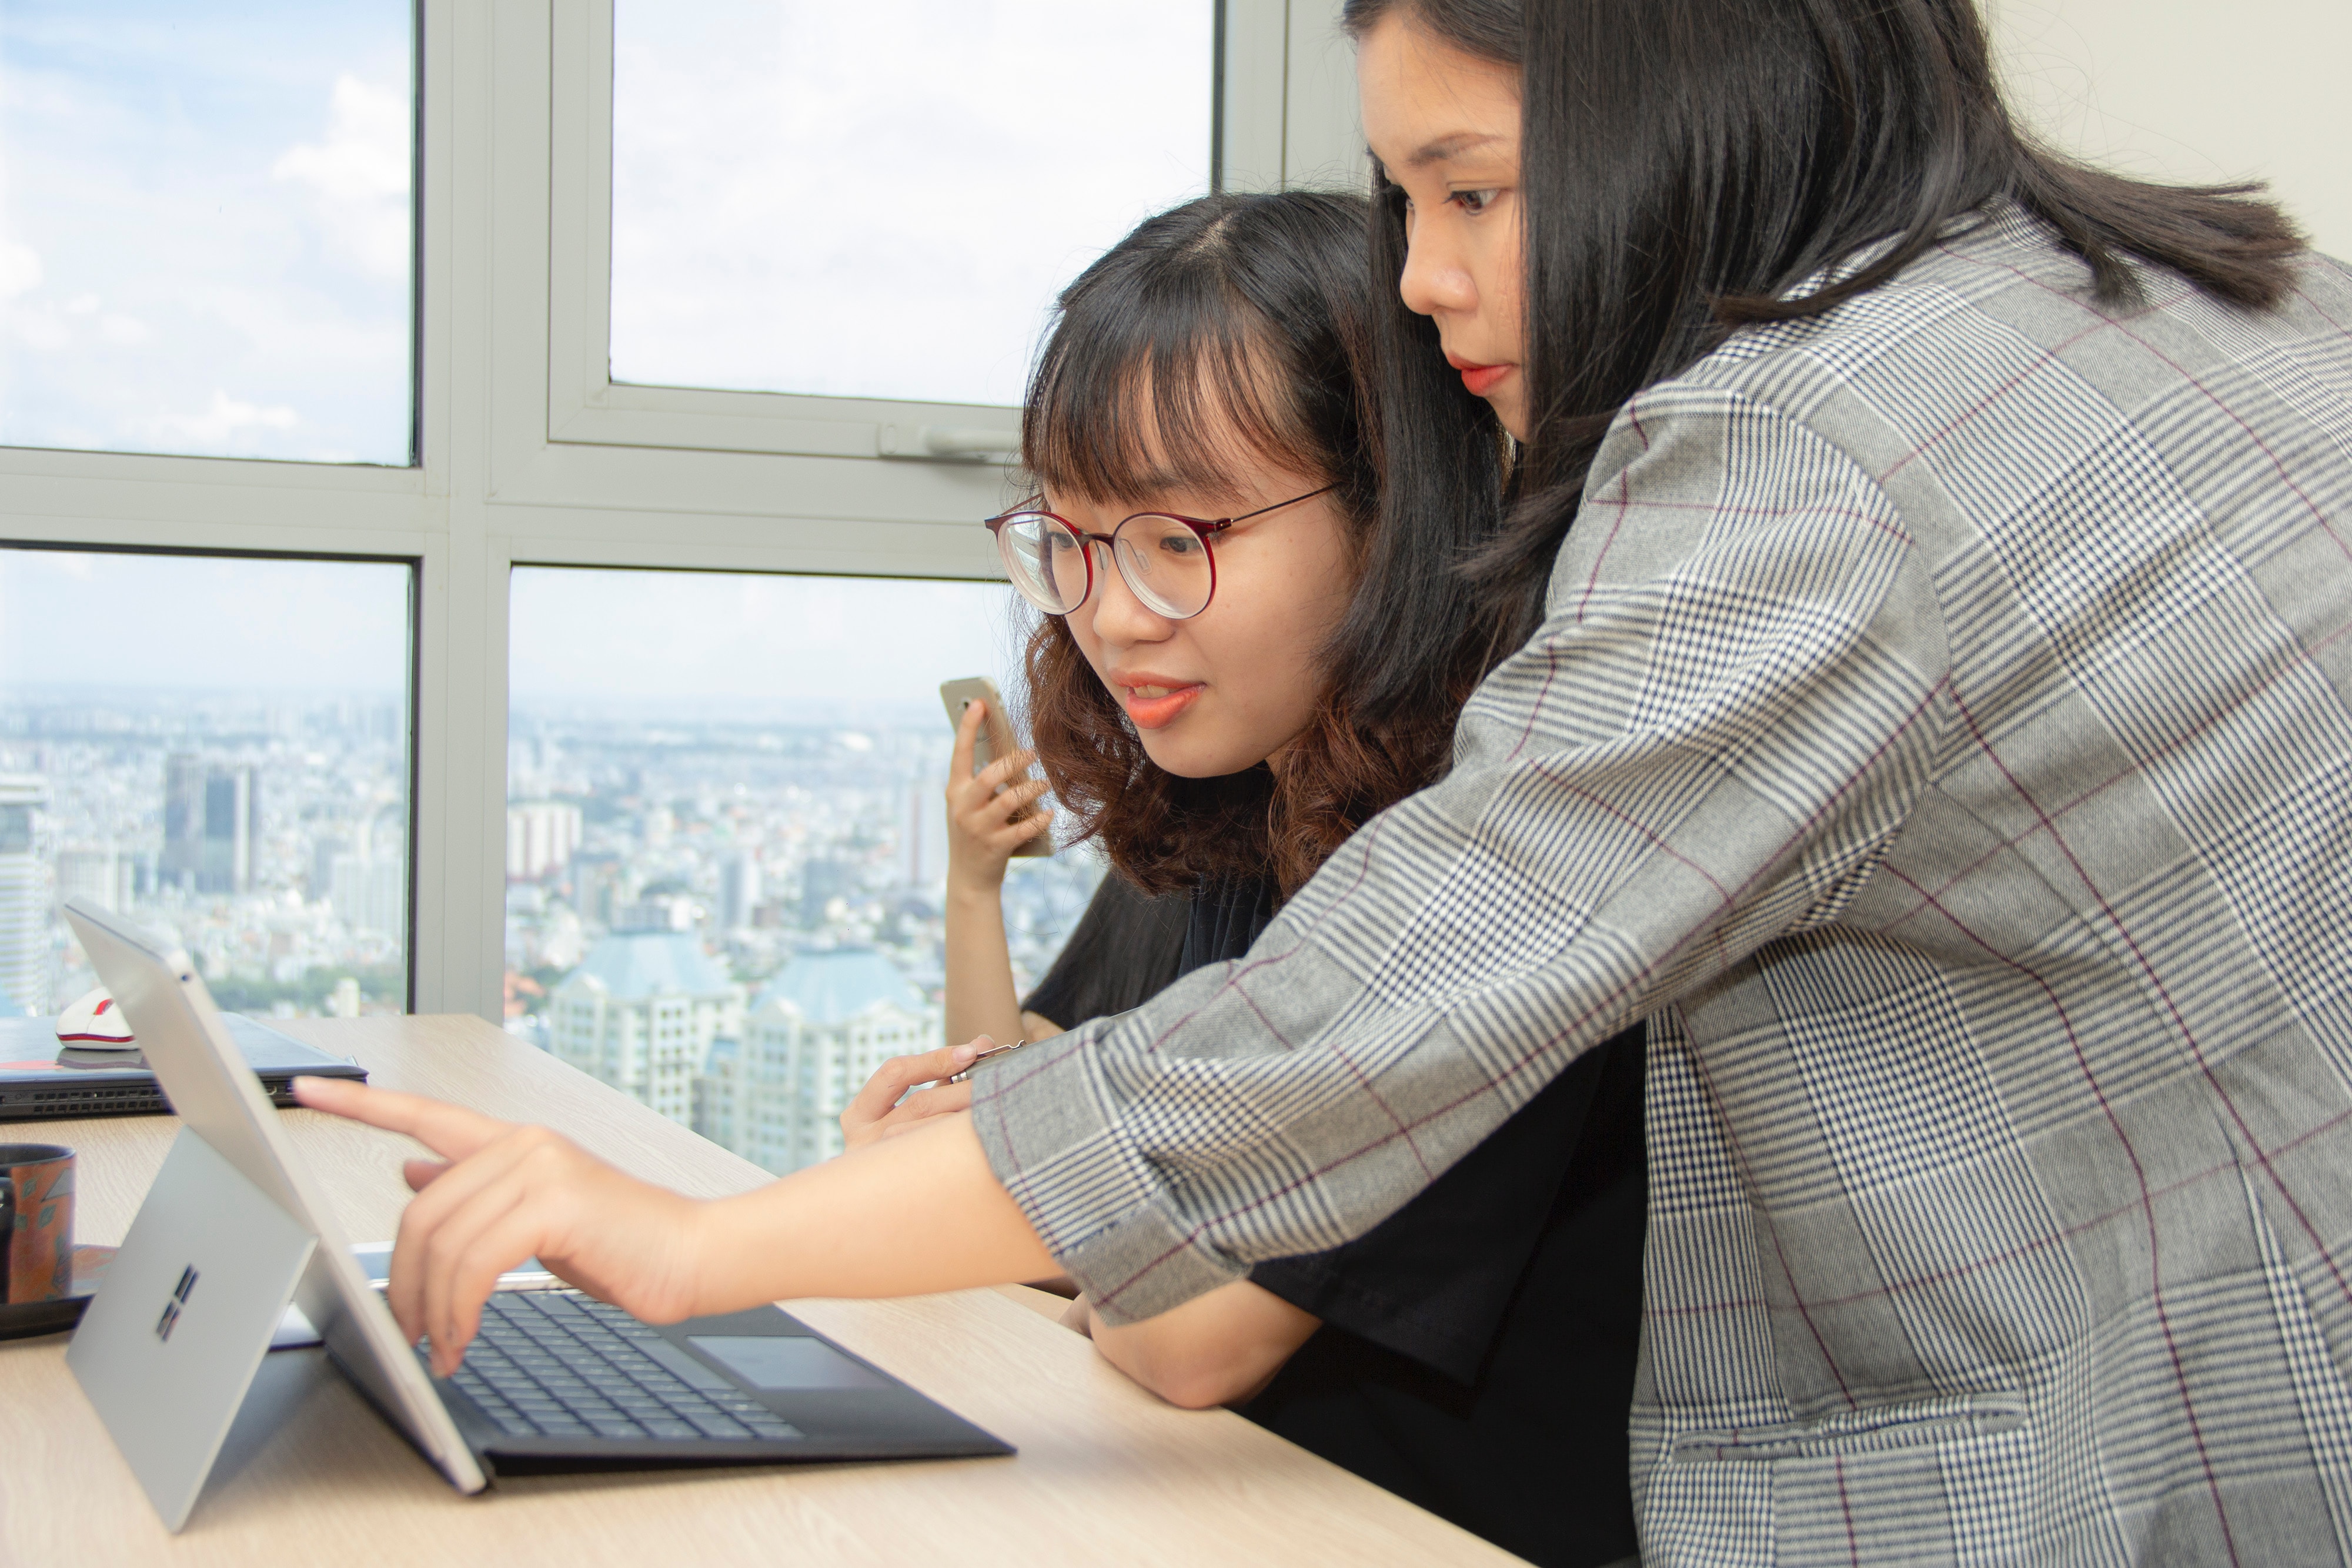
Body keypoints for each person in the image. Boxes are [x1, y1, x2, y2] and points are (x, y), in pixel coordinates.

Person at [298, 0, 2352, 1557]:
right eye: (1404, 204)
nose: (1428, 280)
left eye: (1474, 190)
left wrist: (695, 1245)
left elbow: (1337, 1045)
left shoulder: (1797, 455)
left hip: (2124, 1454)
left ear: (1684, 112)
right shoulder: (2254, 315)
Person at [861, 189, 1644, 1568]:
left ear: (1390, 508)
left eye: (1179, 541)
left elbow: (1187, 1331)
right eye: (1073, 543)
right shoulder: (1229, 792)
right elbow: (1039, 1161)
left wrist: (1039, 1215)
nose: (1111, 616)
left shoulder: (1500, 849)